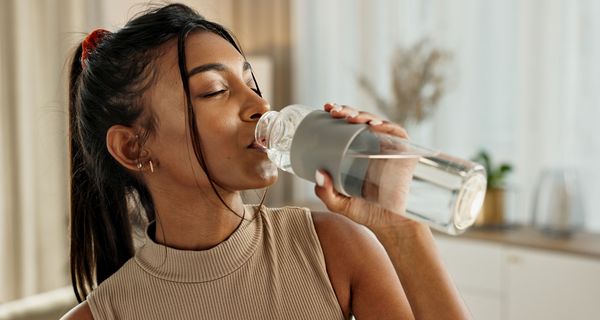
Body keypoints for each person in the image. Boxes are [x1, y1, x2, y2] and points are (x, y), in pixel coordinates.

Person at [61, 3, 470, 320]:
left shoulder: (332, 247)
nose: (259, 104)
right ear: (134, 148)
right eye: (215, 90)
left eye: (252, 82)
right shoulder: (104, 314)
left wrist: (402, 231)